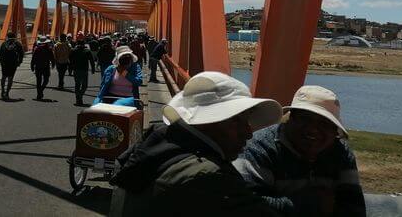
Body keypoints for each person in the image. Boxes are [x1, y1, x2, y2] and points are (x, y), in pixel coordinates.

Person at [109, 72, 283, 216]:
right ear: (209, 122)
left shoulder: (154, 147)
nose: (248, 132)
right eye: (238, 122)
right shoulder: (210, 177)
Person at [235, 86, 365, 216]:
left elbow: (354, 207)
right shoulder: (259, 148)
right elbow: (245, 206)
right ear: (290, 119)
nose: (313, 129)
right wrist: (311, 203)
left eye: (324, 123)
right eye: (305, 119)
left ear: (334, 131)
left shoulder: (341, 152)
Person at [69, 39, 96, 106]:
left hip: (77, 70)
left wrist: (70, 68)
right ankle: (79, 96)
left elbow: (70, 60)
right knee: (84, 85)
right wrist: (93, 69)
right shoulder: (87, 51)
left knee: (77, 84)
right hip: (84, 70)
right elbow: (92, 61)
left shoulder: (73, 50)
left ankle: (78, 97)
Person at [0, 32, 24, 100]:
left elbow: (0, 53)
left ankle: (2, 90)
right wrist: (19, 62)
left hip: (4, 63)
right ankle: (7, 93)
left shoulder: (4, 43)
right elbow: (21, 54)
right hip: (13, 64)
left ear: (7, 36)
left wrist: (1, 62)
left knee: (3, 77)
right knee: (10, 78)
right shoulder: (18, 44)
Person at [30, 36, 55, 100]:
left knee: (38, 81)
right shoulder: (48, 49)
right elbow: (52, 58)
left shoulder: (36, 49)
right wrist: (53, 64)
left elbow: (33, 58)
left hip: (38, 67)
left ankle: (39, 93)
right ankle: (41, 91)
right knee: (46, 80)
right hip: (45, 67)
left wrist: (32, 66)